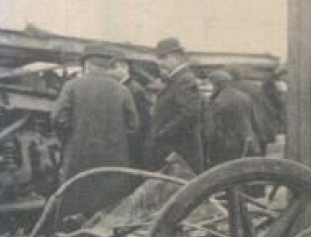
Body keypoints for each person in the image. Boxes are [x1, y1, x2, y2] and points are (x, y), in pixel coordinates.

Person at [52, 45, 140, 220]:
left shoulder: (72, 86)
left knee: (74, 207)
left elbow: (58, 119)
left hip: (79, 158)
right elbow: (133, 127)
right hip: (114, 162)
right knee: (110, 211)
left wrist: (70, 140)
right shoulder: (122, 91)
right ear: (107, 65)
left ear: (87, 64)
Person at [149, 36, 207, 172]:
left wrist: (163, 133)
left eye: (163, 57)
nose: (159, 62)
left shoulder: (184, 80)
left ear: (176, 57)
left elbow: (189, 114)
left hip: (181, 153)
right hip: (176, 152)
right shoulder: (177, 79)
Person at [206, 70, 260, 165]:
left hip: (227, 146)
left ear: (218, 84)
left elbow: (214, 128)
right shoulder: (245, 97)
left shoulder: (219, 101)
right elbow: (254, 120)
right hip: (247, 140)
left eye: (212, 85)